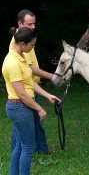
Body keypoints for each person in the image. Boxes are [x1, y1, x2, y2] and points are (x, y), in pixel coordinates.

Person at [2, 27, 60, 175]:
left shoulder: (20, 58)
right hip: (19, 107)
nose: (33, 48)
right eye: (32, 45)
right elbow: (21, 93)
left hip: (20, 107)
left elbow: (29, 83)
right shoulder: (13, 62)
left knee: (20, 147)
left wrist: (47, 95)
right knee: (27, 147)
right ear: (22, 43)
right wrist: (39, 109)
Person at [9, 9, 54, 154]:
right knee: (21, 126)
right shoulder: (19, 43)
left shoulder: (28, 40)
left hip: (32, 87)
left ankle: (41, 149)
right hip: (26, 91)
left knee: (36, 122)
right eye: (29, 24)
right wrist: (52, 76)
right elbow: (31, 68)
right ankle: (19, 152)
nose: (33, 27)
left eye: (34, 23)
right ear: (19, 23)